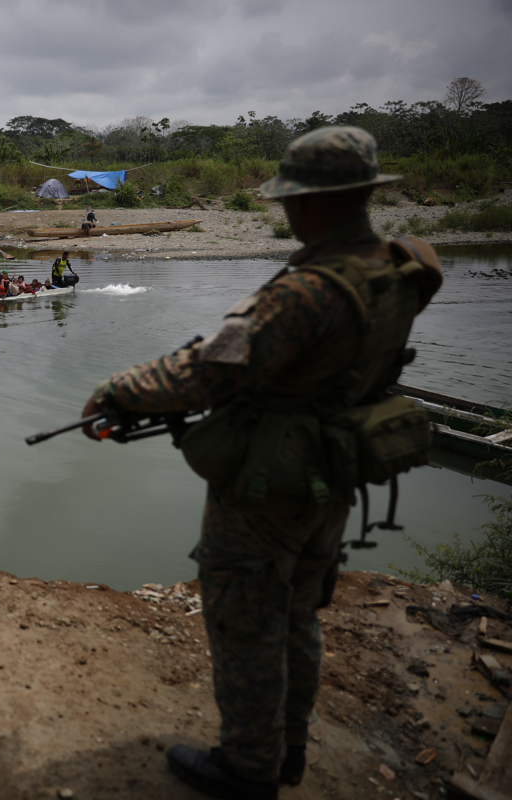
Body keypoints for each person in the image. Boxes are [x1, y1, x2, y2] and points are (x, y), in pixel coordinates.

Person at [78, 127, 442, 800]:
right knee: (299, 612)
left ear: (310, 203)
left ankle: (248, 769)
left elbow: (210, 370)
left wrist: (118, 389)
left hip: (272, 481)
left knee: (247, 617)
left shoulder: (307, 290)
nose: (286, 212)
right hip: (337, 468)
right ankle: (289, 748)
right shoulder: (398, 267)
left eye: (291, 201)